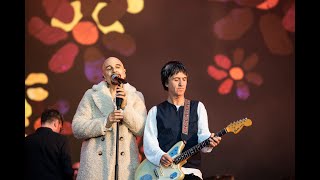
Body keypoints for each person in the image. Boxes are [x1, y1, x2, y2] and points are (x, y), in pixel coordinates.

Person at [143, 60, 222, 180]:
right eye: (176, 79)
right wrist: (160, 156)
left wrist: (209, 141)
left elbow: (203, 134)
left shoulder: (197, 107)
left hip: (190, 171)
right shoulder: (155, 111)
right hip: (164, 173)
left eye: (184, 79)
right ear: (166, 83)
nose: (181, 84)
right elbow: (150, 142)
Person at [72, 56, 147, 180]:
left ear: (124, 72)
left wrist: (125, 109)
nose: (114, 70)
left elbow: (141, 129)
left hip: (125, 167)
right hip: (96, 168)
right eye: (109, 68)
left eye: (118, 67)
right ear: (104, 75)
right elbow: (77, 127)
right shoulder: (91, 95)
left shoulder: (136, 96)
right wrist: (105, 122)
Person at [24, 108, 73, 180]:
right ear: (56, 124)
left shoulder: (27, 140)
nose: (60, 131)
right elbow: (67, 170)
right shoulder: (61, 140)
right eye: (60, 128)